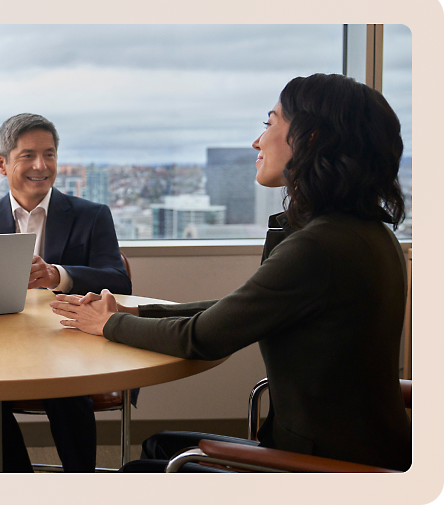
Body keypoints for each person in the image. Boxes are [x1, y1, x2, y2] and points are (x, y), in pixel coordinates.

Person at [51, 74, 412, 472]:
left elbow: (201, 338)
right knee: (159, 447)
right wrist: (132, 314)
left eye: (270, 123)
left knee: (141, 470)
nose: (257, 142)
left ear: (311, 139)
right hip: (366, 449)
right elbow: (235, 309)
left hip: (321, 467)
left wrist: (108, 325)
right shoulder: (366, 232)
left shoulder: (320, 248)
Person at [0, 113, 132, 472]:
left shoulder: (92, 215)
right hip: (0, 346)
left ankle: (79, 481)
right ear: (2, 164)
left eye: (49, 154)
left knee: (65, 383)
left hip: (72, 343)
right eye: (29, 155)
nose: (42, 165)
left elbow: (119, 280)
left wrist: (57, 275)